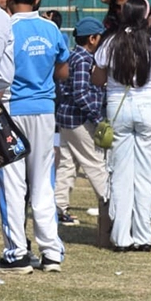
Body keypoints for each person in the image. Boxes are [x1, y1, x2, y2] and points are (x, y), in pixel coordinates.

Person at [0, 0, 69, 273]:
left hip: (12, 111)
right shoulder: (52, 29)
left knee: (12, 182)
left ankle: (17, 253)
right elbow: (62, 71)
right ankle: (51, 252)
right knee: (42, 181)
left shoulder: (4, 28)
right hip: (44, 110)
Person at [93, 0, 151, 251]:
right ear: (147, 17)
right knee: (146, 172)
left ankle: (120, 235)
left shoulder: (109, 44)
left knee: (120, 172)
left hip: (118, 109)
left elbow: (97, 79)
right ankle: (143, 234)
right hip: (150, 110)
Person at [53, 17, 108, 222]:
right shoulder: (84, 59)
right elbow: (81, 93)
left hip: (65, 118)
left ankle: (58, 208)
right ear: (92, 39)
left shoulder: (72, 54)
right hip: (79, 119)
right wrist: (97, 117)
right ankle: (110, 204)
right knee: (95, 163)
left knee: (67, 164)